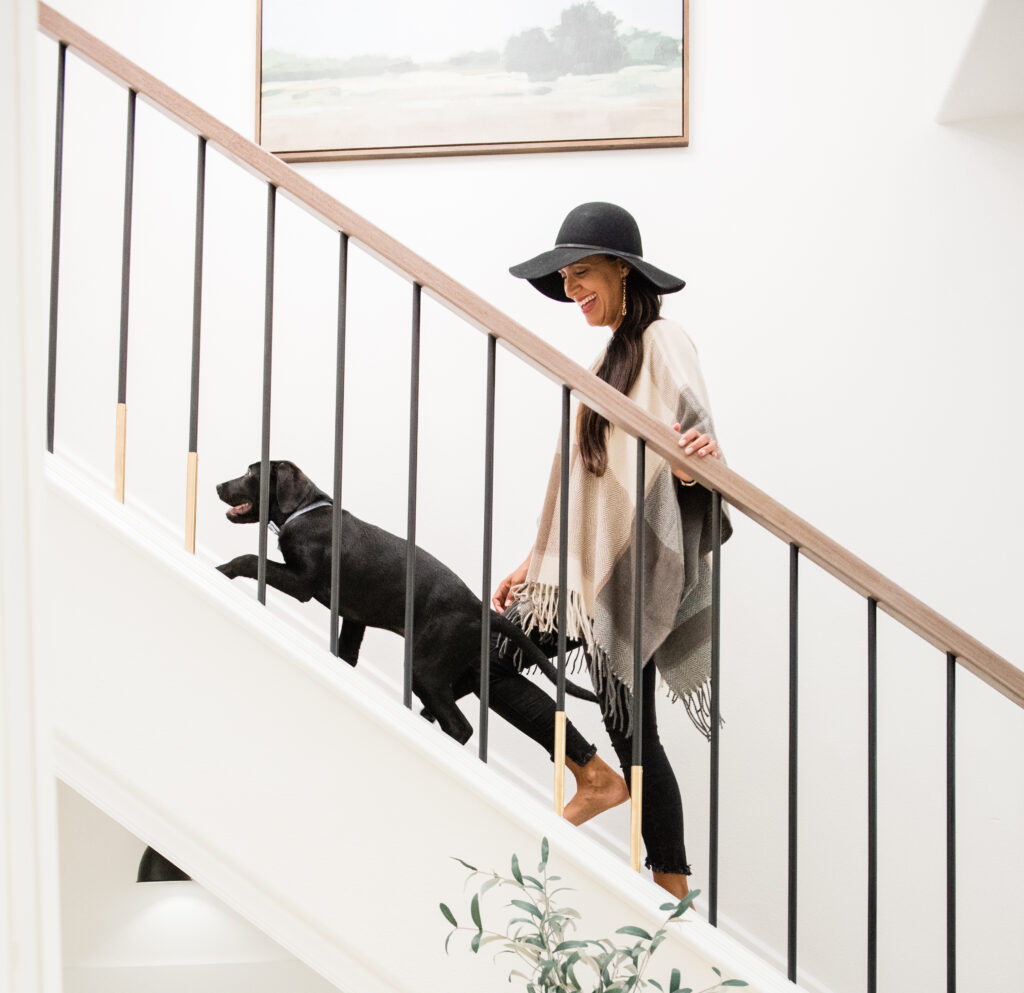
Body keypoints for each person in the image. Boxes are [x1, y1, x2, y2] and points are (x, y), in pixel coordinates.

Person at [485, 202, 732, 900]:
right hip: (583, 577)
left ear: (623, 271)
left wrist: (692, 463)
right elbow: (587, 484)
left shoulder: (662, 339)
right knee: (488, 654)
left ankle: (674, 893)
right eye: (564, 279)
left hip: (629, 575)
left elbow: (693, 443)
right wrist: (537, 566)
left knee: (639, 740)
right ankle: (592, 776)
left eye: (582, 274)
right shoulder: (608, 356)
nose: (571, 291)